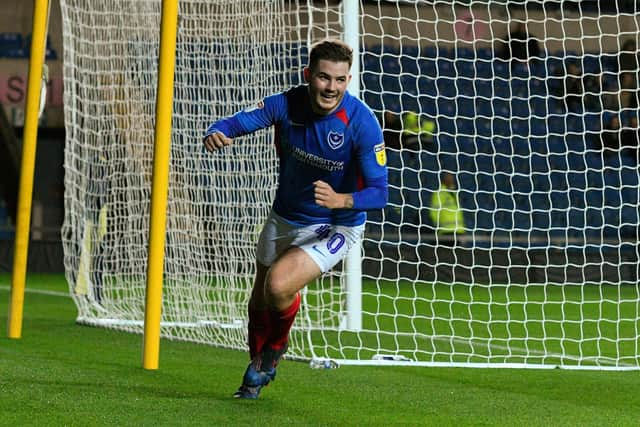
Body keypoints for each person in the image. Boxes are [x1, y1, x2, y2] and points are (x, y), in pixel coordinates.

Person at [203, 39, 388, 399]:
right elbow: (236, 121)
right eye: (323, 78)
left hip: (336, 225)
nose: (330, 87)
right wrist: (217, 132)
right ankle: (255, 371)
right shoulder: (285, 103)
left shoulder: (361, 123)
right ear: (308, 75)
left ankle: (274, 352)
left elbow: (380, 193)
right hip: (285, 217)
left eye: (338, 80)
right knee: (259, 300)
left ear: (348, 80)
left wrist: (341, 199)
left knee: (278, 286)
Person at [429, 171, 465, 246]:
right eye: (449, 177)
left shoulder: (454, 192)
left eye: (452, 177)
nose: (451, 179)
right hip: (446, 231)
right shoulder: (440, 193)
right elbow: (434, 212)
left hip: (458, 231)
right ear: (444, 179)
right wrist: (438, 225)